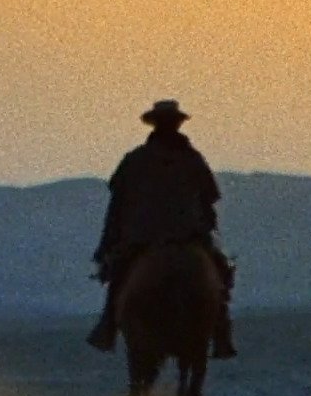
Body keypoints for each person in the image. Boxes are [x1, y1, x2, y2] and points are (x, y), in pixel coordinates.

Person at [87, 99, 238, 359]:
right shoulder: (192, 159)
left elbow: (117, 208)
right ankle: (221, 334)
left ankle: (108, 326)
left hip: (142, 238)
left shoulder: (134, 160)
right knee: (220, 274)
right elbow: (210, 199)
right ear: (177, 124)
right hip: (189, 236)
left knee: (119, 275)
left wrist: (106, 245)